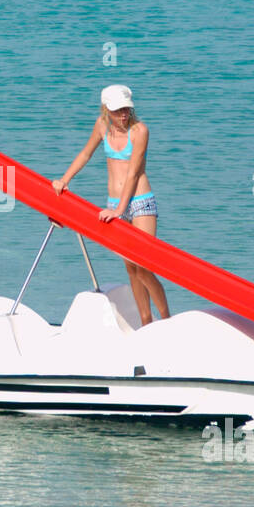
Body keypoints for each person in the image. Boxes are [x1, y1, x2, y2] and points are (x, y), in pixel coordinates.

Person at [51, 85, 170, 326]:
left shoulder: (140, 131)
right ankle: (146, 323)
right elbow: (85, 154)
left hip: (140, 202)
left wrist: (118, 211)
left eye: (126, 109)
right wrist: (64, 179)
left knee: (144, 266)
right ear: (106, 109)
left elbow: (134, 174)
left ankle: (167, 322)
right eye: (118, 110)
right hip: (114, 202)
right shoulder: (102, 125)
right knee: (131, 270)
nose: (124, 114)